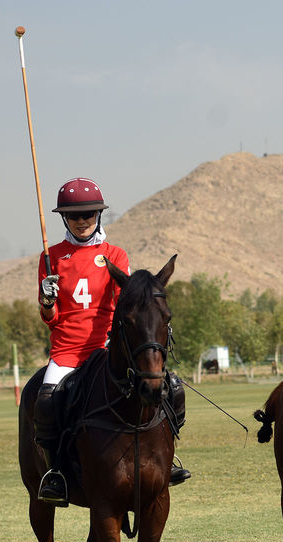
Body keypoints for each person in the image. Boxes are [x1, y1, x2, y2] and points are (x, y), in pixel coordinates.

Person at [34, 178, 190, 506]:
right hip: (67, 351)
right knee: (46, 401)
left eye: (88, 213)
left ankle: (168, 456)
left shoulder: (114, 254)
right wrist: (47, 301)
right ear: (64, 218)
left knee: (171, 388)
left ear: (99, 215)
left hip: (106, 349)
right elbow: (50, 318)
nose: (82, 220)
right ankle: (55, 472)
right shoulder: (51, 258)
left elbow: (128, 306)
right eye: (74, 215)